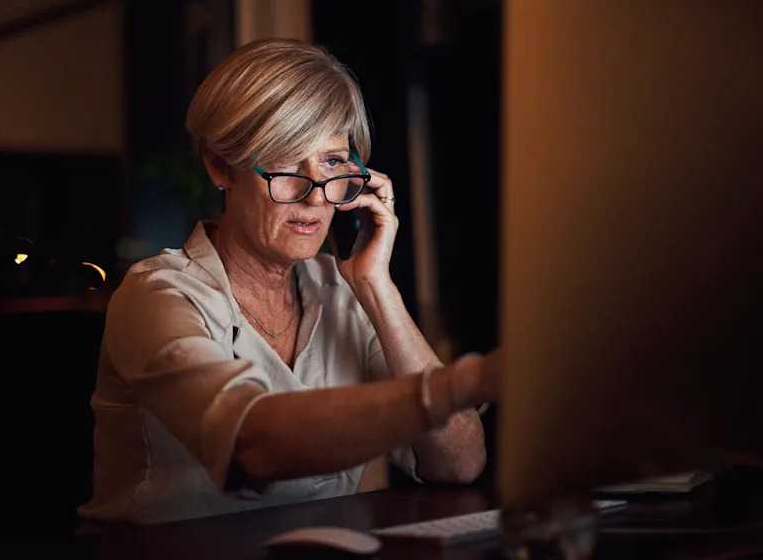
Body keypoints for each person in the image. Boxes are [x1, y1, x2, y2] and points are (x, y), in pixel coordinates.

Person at [77, 39, 502, 524]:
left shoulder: (343, 288)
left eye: (333, 162)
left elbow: (460, 463)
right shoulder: (158, 295)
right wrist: (472, 381)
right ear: (221, 166)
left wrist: (377, 288)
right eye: (285, 162)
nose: (316, 197)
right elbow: (252, 445)